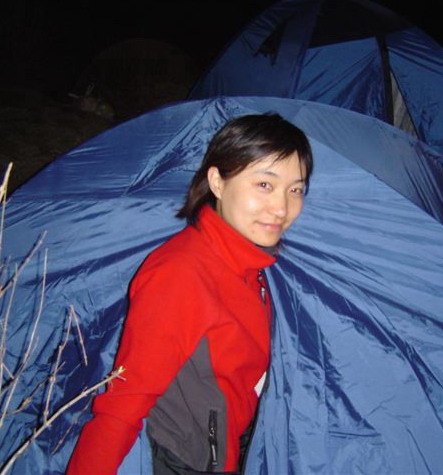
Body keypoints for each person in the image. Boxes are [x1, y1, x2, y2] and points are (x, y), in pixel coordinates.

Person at [67, 113, 313, 474]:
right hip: (191, 459)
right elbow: (122, 406)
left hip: (235, 442)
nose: (282, 208)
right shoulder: (180, 276)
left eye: (296, 190)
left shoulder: (253, 262)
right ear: (217, 181)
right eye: (264, 184)